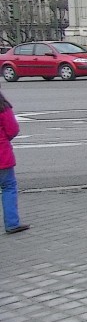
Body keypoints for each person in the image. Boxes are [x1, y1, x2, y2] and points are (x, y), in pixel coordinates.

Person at [0, 85, 28, 234]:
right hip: (2, 157)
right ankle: (11, 223)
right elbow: (12, 130)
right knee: (8, 187)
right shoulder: (3, 107)